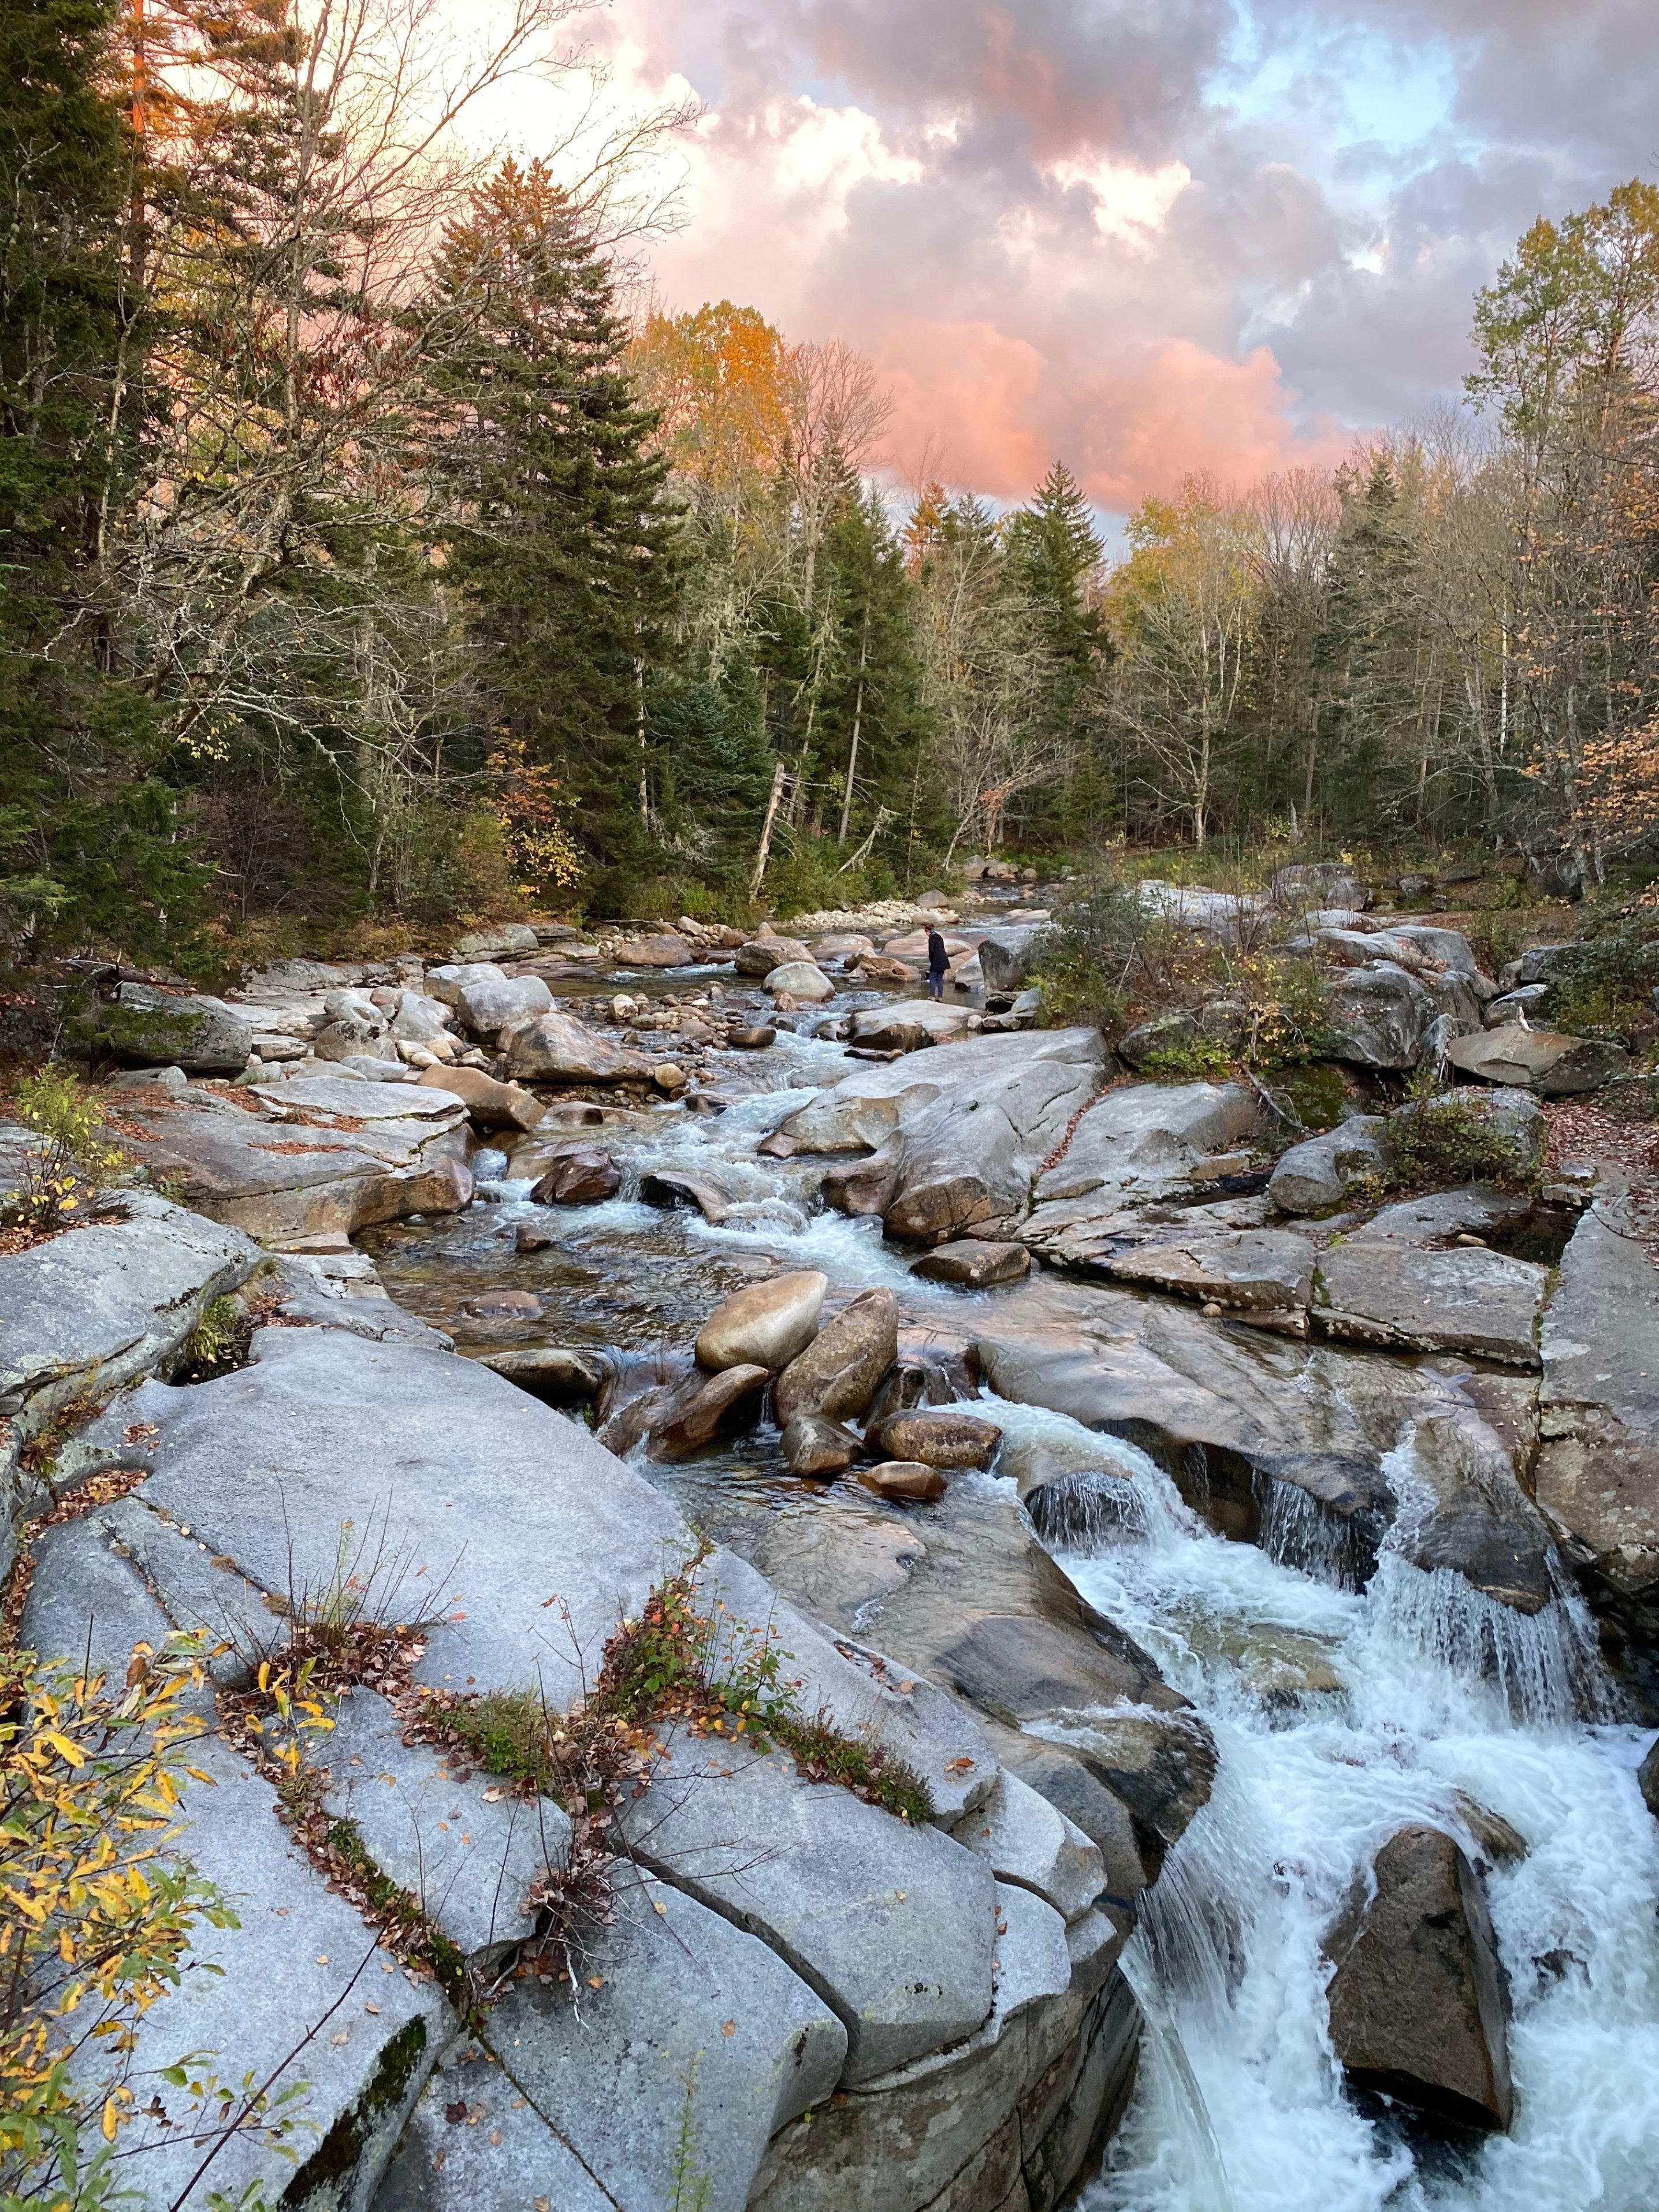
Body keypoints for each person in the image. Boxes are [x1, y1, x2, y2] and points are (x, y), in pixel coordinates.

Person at [926, 927, 948, 999]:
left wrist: (931, 960)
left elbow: (931, 951)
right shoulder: (940, 938)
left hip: (936, 961)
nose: (926, 934)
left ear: (928, 931)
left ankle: (932, 996)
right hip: (944, 960)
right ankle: (940, 997)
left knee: (932, 978)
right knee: (940, 979)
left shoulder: (931, 939)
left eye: (926, 932)